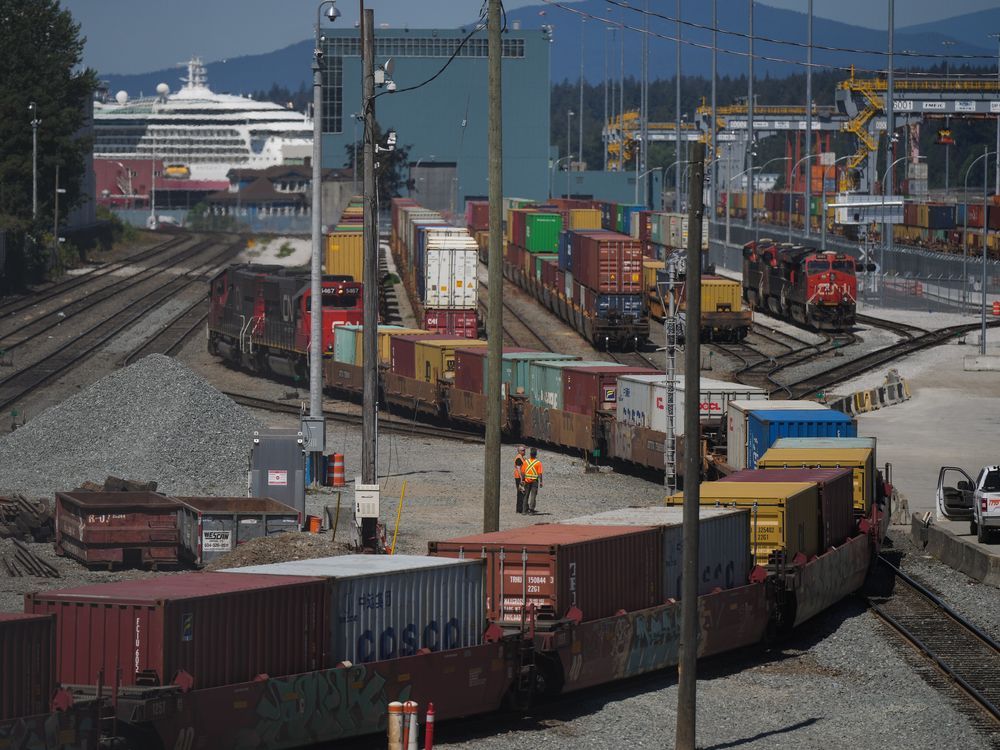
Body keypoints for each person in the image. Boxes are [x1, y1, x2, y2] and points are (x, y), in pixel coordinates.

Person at [522, 447, 543, 515]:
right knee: (533, 496)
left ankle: (524, 510)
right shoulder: (538, 463)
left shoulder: (526, 462)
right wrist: (541, 482)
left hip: (527, 480)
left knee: (526, 495)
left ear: (530, 454)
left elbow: (523, 472)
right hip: (534, 481)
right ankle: (531, 510)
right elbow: (540, 473)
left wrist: (523, 480)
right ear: (536, 454)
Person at [513, 446, 526, 514]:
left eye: (524, 450)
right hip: (519, 477)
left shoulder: (521, 457)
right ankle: (519, 509)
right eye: (523, 450)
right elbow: (518, 468)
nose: (524, 451)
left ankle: (520, 508)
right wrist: (521, 478)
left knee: (521, 492)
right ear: (519, 451)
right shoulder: (519, 458)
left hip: (519, 477)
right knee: (520, 493)